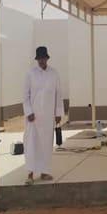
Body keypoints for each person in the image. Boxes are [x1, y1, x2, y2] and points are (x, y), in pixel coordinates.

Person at [23, 46, 63, 184]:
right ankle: (30, 174)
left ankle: (44, 172)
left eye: (43, 58)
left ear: (47, 58)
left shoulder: (54, 74)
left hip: (48, 117)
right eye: (39, 58)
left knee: (46, 144)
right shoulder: (30, 74)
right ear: (37, 59)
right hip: (33, 117)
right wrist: (28, 111)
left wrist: (58, 113)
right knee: (31, 144)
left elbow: (58, 94)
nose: (41, 61)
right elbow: (25, 95)